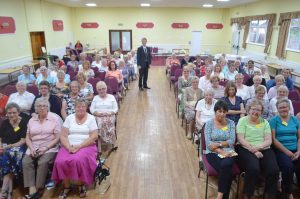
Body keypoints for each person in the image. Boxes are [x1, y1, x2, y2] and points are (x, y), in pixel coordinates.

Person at [52, 98, 98, 199]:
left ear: (86, 107)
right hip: (69, 145)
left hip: (86, 145)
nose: (80, 108)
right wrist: (68, 146)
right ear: (74, 108)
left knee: (77, 160)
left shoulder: (91, 118)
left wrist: (79, 146)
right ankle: (66, 186)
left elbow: (94, 136)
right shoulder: (69, 118)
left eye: (83, 106)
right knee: (60, 161)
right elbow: (63, 136)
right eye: (78, 106)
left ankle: (80, 185)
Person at [236, 99, 279, 199]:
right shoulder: (242, 120)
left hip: (264, 148)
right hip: (245, 148)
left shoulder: (265, 122)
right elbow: (240, 139)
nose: (256, 112)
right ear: (249, 110)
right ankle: (247, 195)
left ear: (262, 111)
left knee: (274, 170)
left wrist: (258, 147)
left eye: (258, 110)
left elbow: (269, 140)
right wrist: (254, 150)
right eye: (253, 109)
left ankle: (269, 194)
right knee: (253, 168)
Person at [23, 98, 61, 199]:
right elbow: (28, 137)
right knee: (26, 161)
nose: (42, 108)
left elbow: (58, 138)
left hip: (49, 147)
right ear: (36, 108)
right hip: (34, 146)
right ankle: (32, 189)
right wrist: (31, 148)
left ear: (48, 107)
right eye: (39, 106)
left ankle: (39, 188)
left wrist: (46, 148)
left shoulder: (54, 119)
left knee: (42, 162)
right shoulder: (31, 120)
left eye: (44, 106)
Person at [204, 100, 236, 199]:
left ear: (226, 112)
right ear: (215, 111)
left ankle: (219, 196)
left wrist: (218, 144)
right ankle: (223, 197)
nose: (222, 114)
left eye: (224, 112)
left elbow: (232, 140)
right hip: (212, 152)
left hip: (229, 151)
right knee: (227, 171)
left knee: (226, 165)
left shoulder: (231, 123)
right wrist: (221, 151)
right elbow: (209, 144)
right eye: (219, 111)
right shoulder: (209, 124)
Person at [270, 99, 300, 199]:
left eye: (285, 107)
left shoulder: (295, 120)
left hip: (296, 149)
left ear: (289, 108)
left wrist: (299, 151)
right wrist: (287, 152)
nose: (283, 109)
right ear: (277, 109)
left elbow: (299, 138)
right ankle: (288, 191)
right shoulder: (274, 120)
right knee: (288, 167)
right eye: (280, 107)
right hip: (281, 150)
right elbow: (274, 140)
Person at [0, 103, 30, 199]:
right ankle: (8, 192)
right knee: (7, 157)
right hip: (4, 147)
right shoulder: (4, 123)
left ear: (18, 112)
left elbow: (23, 140)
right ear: (7, 113)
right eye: (9, 113)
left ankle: (4, 191)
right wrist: (1, 146)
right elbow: (0, 138)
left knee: (10, 154)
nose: (12, 115)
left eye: (14, 112)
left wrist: (9, 146)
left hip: (18, 147)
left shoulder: (24, 122)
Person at [90, 81, 118, 149]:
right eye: (99, 89)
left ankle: (108, 140)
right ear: (97, 90)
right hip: (98, 115)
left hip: (109, 115)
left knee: (106, 122)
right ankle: (100, 143)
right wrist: (97, 113)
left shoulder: (111, 97)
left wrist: (110, 113)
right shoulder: (95, 98)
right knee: (99, 122)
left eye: (103, 88)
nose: (101, 91)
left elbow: (116, 108)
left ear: (106, 89)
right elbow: (92, 108)